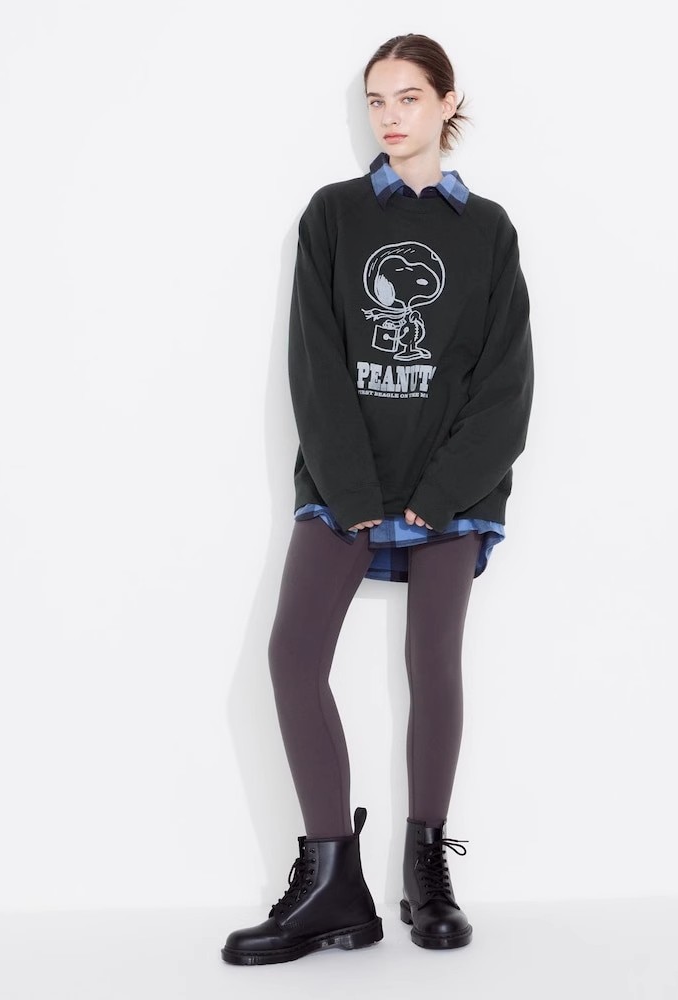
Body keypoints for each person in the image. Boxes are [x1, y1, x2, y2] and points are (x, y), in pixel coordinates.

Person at [221, 32, 534, 966]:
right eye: (376, 100)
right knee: (291, 656)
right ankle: (332, 883)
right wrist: (355, 489)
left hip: (451, 487)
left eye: (408, 97)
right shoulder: (334, 214)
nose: (389, 117)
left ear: (447, 103)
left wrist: (438, 496)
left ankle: (425, 870)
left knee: (433, 663)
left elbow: (506, 385)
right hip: (345, 481)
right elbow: (314, 362)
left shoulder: (489, 231)